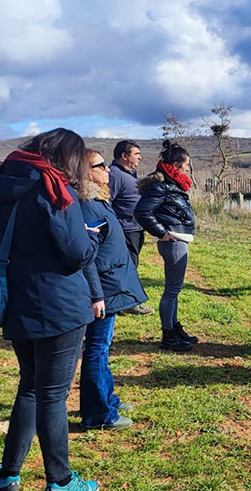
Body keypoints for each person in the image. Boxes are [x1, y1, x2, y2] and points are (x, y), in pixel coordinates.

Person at [0, 128, 100, 491]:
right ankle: (61, 482)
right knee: (52, 395)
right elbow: (74, 252)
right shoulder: (52, 189)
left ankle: (7, 476)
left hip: (18, 302)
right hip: (60, 307)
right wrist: (91, 238)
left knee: (30, 388)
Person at [78, 149, 148, 430]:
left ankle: (107, 399)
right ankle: (98, 414)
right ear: (86, 172)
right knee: (96, 348)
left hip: (110, 284)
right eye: (101, 165)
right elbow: (87, 258)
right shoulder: (86, 206)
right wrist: (97, 294)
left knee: (102, 347)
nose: (108, 169)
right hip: (103, 288)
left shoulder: (98, 201)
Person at [134, 140, 198, 352]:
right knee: (171, 290)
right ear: (177, 165)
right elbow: (142, 212)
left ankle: (175, 327)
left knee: (174, 290)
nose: (188, 168)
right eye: (186, 164)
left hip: (178, 240)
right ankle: (168, 337)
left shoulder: (171, 184)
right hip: (173, 242)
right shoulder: (161, 187)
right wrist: (162, 233)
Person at [108, 139, 153, 315]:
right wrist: (115, 227)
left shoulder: (131, 173)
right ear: (124, 156)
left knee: (132, 264)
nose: (140, 157)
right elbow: (107, 202)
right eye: (136, 154)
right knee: (128, 266)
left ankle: (125, 300)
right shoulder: (114, 174)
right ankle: (128, 302)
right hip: (124, 229)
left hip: (136, 227)